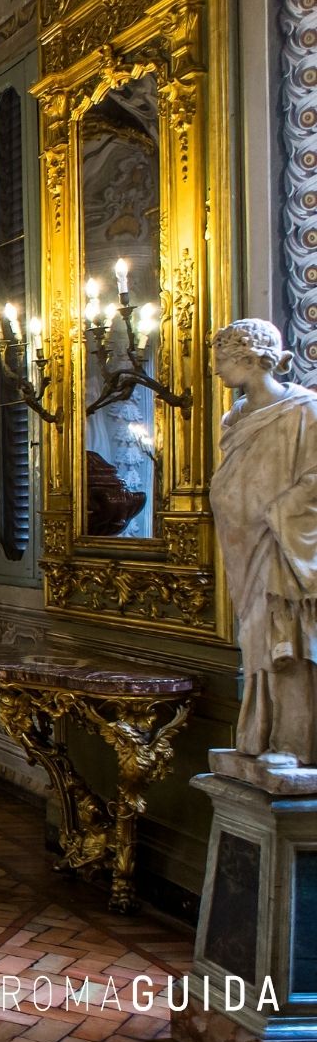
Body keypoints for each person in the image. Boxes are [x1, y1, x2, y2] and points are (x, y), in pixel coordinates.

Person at [210, 319, 317, 765]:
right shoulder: (235, 417)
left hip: (281, 543)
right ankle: (262, 735)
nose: (216, 370)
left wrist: (275, 513)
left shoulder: (303, 412)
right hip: (243, 547)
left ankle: (292, 743)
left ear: (251, 360)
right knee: (255, 640)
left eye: (222, 360)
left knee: (285, 634)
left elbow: (315, 480)